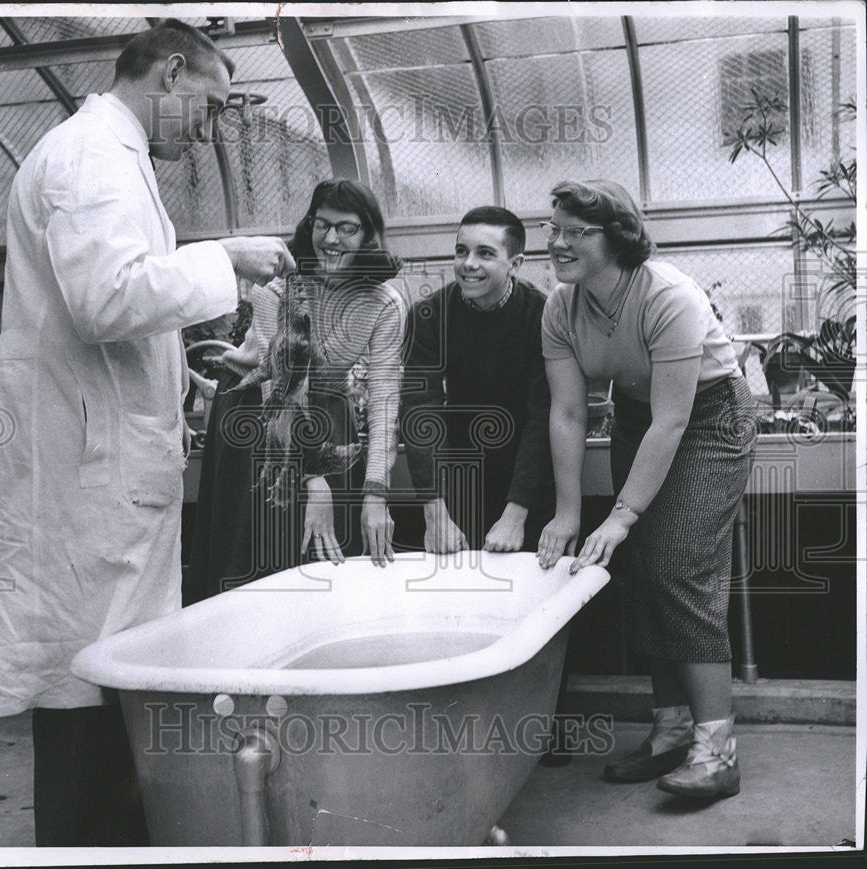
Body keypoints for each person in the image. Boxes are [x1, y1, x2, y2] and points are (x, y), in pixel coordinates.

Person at [0, 20, 295, 847]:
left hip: (101, 474)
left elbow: (111, 315)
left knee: (112, 694)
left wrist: (183, 371)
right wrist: (226, 259)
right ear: (171, 73)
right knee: (90, 698)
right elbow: (105, 300)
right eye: (212, 107)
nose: (213, 128)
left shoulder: (113, 158)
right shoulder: (90, 158)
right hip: (87, 488)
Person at [537, 179, 757, 800]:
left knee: (679, 567)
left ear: (618, 236)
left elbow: (675, 419)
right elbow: (569, 414)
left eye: (574, 232)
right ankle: (671, 732)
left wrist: (623, 513)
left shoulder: (667, 294)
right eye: (552, 229)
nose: (556, 243)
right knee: (642, 568)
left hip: (710, 417)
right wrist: (570, 512)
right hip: (641, 417)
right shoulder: (562, 306)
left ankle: (718, 755)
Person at [184, 179, 407, 603]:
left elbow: (383, 397)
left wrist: (377, 492)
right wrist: (314, 478)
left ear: (369, 235)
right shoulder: (282, 287)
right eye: (322, 224)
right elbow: (282, 385)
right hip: (256, 413)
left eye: (347, 228)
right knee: (259, 552)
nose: (331, 238)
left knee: (326, 559)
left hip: (328, 416)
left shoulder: (385, 303)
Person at [400, 206, 554, 555]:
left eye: (485, 253)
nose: (468, 264)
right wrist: (435, 512)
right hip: (460, 478)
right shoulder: (428, 317)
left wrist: (516, 514)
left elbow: (543, 416)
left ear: (515, 264)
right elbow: (419, 412)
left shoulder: (542, 316)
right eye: (461, 251)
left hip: (529, 479)